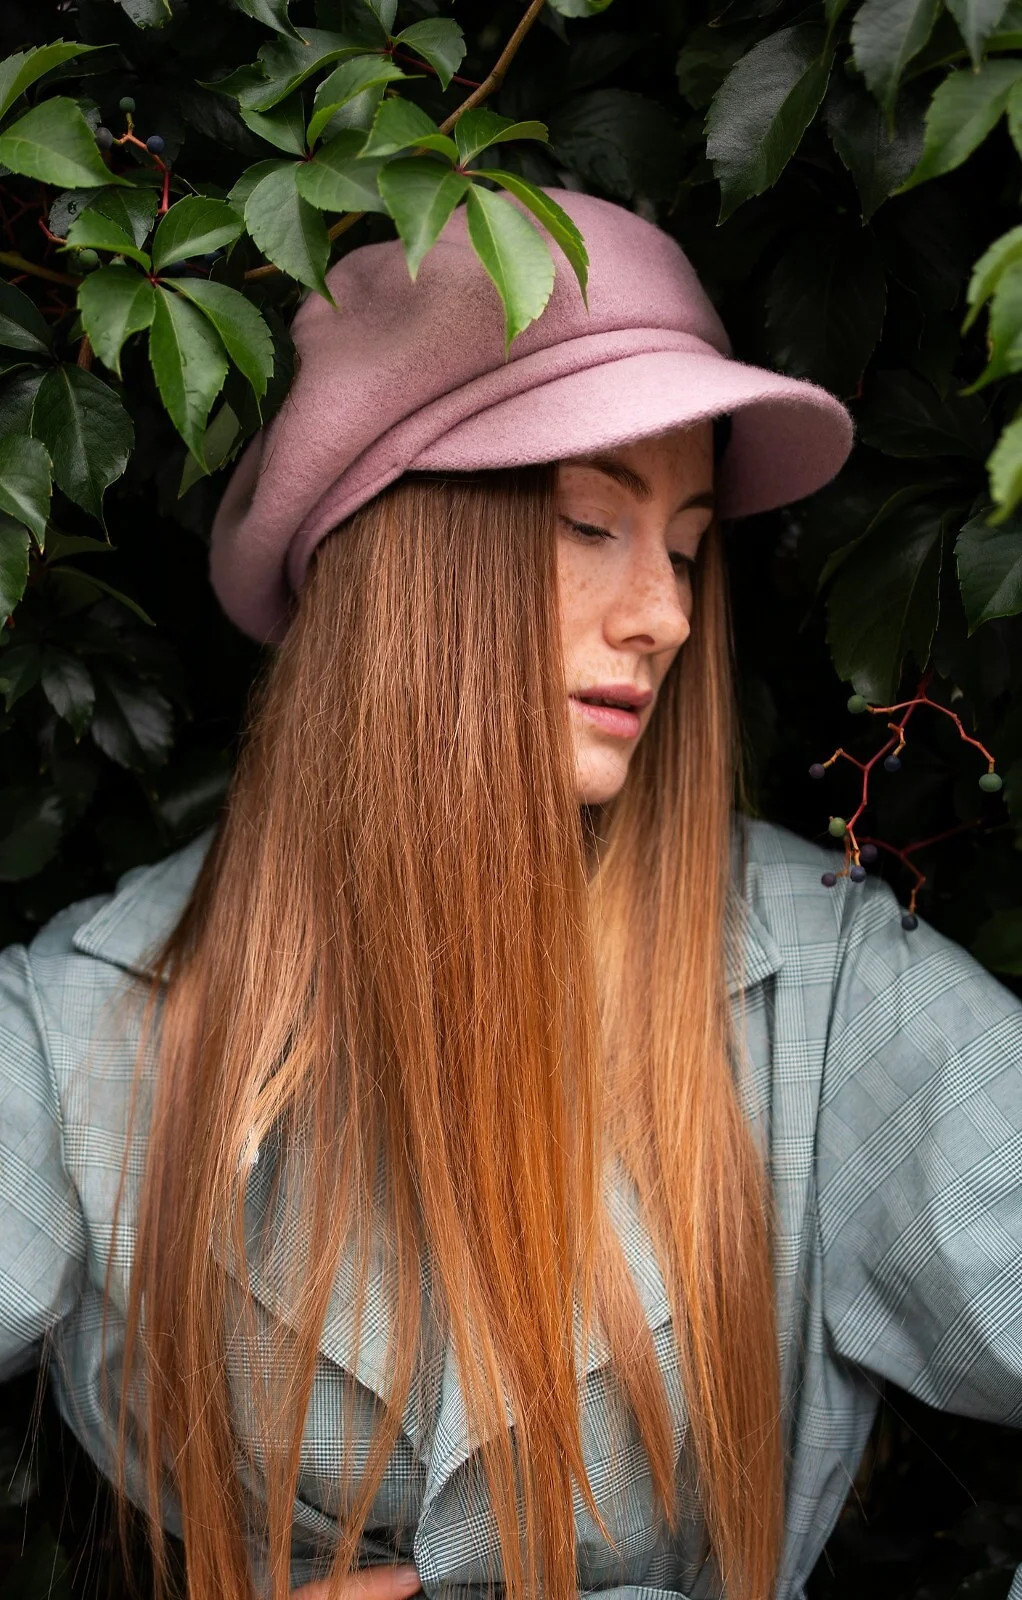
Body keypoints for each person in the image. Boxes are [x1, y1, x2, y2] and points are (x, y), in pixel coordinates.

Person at [0, 188, 1019, 1600]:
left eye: (684, 547)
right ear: (408, 565)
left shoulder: (829, 989)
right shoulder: (80, 1029)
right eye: (592, 523)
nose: (666, 614)